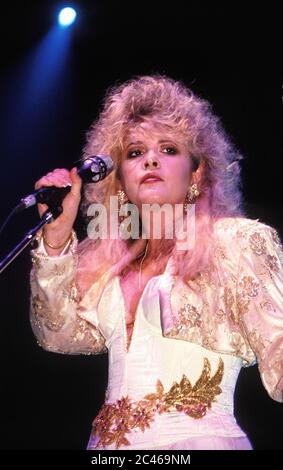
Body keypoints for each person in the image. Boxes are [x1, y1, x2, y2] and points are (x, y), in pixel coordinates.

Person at [30, 75, 283, 450]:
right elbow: (58, 335)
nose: (150, 159)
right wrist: (56, 236)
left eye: (168, 149)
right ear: (120, 180)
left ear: (196, 172)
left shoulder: (236, 242)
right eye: (134, 153)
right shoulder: (103, 266)